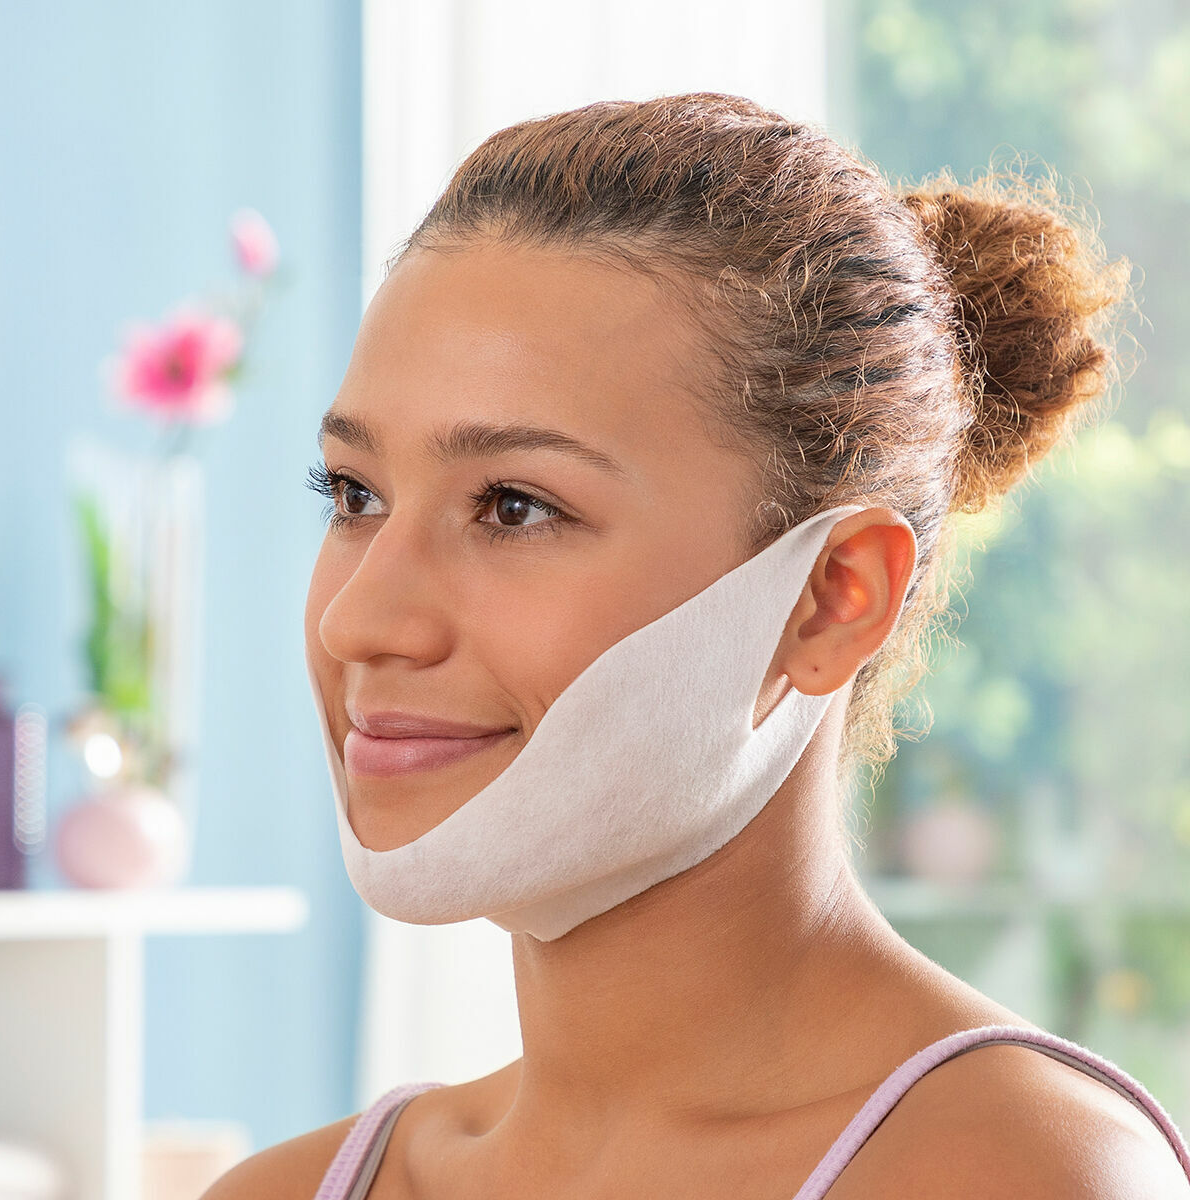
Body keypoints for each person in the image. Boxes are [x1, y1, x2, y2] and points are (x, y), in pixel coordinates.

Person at [205, 93, 1190, 1198]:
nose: (356, 621)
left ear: (830, 600)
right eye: (355, 494)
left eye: (515, 507)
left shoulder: (1013, 1173)